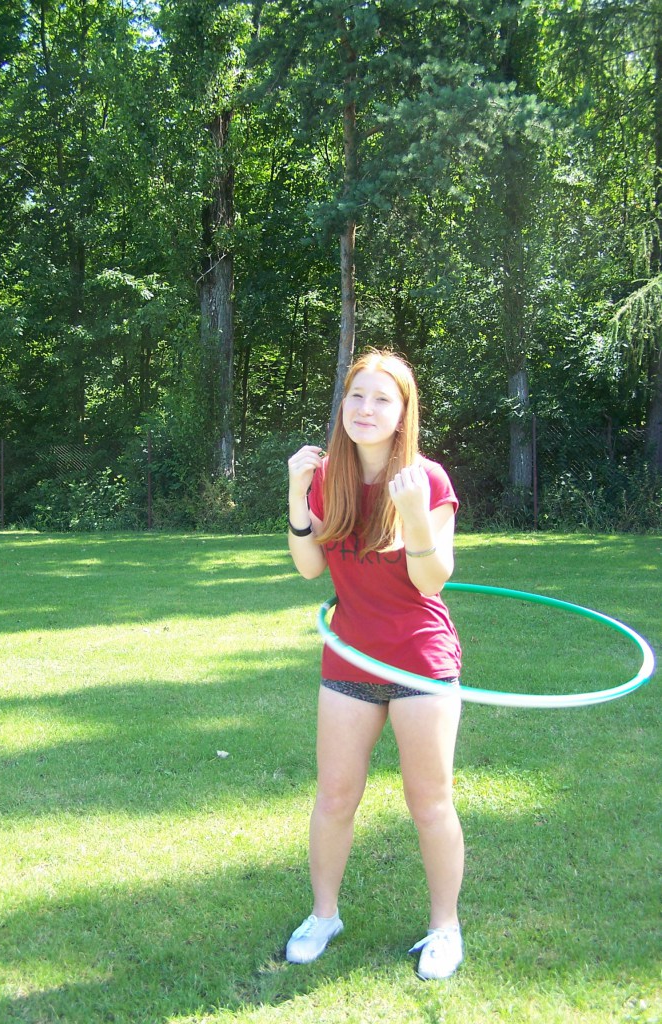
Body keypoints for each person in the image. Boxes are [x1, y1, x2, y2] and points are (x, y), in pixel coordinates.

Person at [285, 349, 465, 981]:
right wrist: (295, 495)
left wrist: (414, 516)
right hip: (350, 657)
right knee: (335, 795)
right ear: (343, 405)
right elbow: (310, 567)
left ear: (403, 412)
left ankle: (445, 927)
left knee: (429, 801)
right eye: (356, 395)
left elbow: (431, 580)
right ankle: (323, 915)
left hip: (420, 661)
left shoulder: (426, 480)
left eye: (382, 399)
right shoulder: (326, 477)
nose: (366, 408)